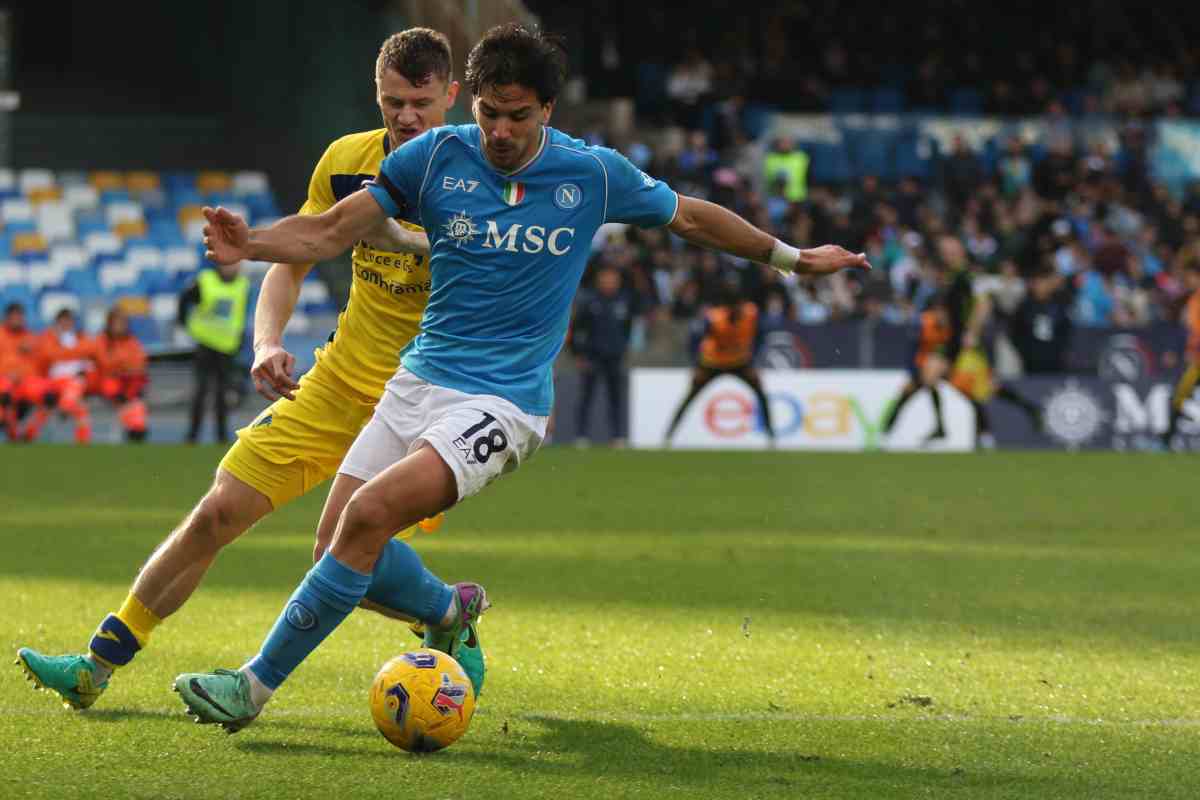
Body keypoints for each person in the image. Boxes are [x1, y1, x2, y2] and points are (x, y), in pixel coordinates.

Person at [170, 22, 869, 732]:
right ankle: (452, 610)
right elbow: (328, 232)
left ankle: (249, 688)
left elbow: (691, 218)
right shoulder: (435, 158)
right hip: (417, 381)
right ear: (469, 101)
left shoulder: (591, 173)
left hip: (504, 403)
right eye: (488, 113)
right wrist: (249, 242)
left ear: (548, 112)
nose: (500, 131)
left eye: (517, 116)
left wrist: (790, 257)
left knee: (369, 516)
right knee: (336, 549)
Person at [16, 28, 487, 715]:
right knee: (218, 511)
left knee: (342, 547)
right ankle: (95, 665)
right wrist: (266, 342)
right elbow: (295, 258)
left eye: (420, 101)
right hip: (336, 383)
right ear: (375, 95)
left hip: (424, 400)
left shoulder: (482, 179)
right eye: (392, 101)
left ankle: (444, 610)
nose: (406, 116)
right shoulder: (347, 161)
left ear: (451, 95)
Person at [663, 275, 775, 446]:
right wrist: (697, 366)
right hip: (712, 363)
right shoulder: (714, 318)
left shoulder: (752, 313)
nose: (737, 310)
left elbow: (761, 337)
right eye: (733, 307)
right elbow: (695, 341)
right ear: (726, 306)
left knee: (761, 394)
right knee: (689, 397)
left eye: (739, 306)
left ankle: (771, 438)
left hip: (741, 362)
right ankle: (668, 437)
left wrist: (754, 362)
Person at [178, 259, 249, 444]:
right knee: (201, 391)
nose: (231, 266)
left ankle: (221, 437)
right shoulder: (205, 280)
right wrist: (184, 324)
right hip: (205, 343)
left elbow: (240, 314)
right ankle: (192, 436)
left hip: (227, 347)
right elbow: (184, 300)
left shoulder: (243, 285)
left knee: (222, 394)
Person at [570, 265, 637, 446]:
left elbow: (628, 329)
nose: (609, 283)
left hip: (615, 357)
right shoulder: (590, 301)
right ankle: (581, 435)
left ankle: (617, 436)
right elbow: (576, 330)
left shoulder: (624, 301)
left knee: (615, 398)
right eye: (606, 279)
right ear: (599, 280)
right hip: (593, 356)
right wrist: (578, 354)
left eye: (612, 279)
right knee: (586, 397)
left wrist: (623, 348)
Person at [880, 292, 953, 443]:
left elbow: (945, 350)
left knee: (929, 388)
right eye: (940, 311)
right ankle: (885, 432)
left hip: (934, 366)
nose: (943, 316)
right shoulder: (922, 322)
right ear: (935, 310)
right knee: (904, 397)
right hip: (919, 366)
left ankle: (940, 428)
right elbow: (911, 349)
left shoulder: (948, 327)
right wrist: (914, 372)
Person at [34, 308, 95, 444]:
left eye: (69, 320)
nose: (66, 323)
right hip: (53, 382)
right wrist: (72, 354)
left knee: (80, 404)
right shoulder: (48, 338)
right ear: (57, 322)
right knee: (74, 390)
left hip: (73, 383)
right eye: (63, 320)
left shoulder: (79, 338)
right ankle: (30, 435)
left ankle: (83, 442)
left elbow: (89, 361)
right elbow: (47, 357)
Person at [90, 306, 150, 442]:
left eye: (122, 323)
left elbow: (140, 363)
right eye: (117, 323)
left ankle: (137, 429)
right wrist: (123, 365)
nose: (120, 326)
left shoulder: (132, 341)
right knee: (120, 395)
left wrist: (122, 366)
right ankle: (133, 428)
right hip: (108, 383)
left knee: (136, 400)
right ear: (109, 324)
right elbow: (105, 363)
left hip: (129, 383)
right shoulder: (102, 341)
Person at [0, 302, 55, 442]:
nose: (17, 320)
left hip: (27, 381)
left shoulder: (31, 337)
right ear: (6, 318)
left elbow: (44, 361)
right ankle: (13, 433)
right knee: (5, 393)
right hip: (4, 380)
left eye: (20, 317)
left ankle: (30, 433)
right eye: (14, 317)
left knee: (49, 396)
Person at [1163, 261, 1200, 448]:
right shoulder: (1192, 300)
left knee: (1179, 396)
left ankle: (1166, 439)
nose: (1188, 281)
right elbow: (1187, 330)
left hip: (1196, 359)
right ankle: (1166, 439)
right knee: (1179, 396)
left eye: (1191, 277)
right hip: (1195, 361)